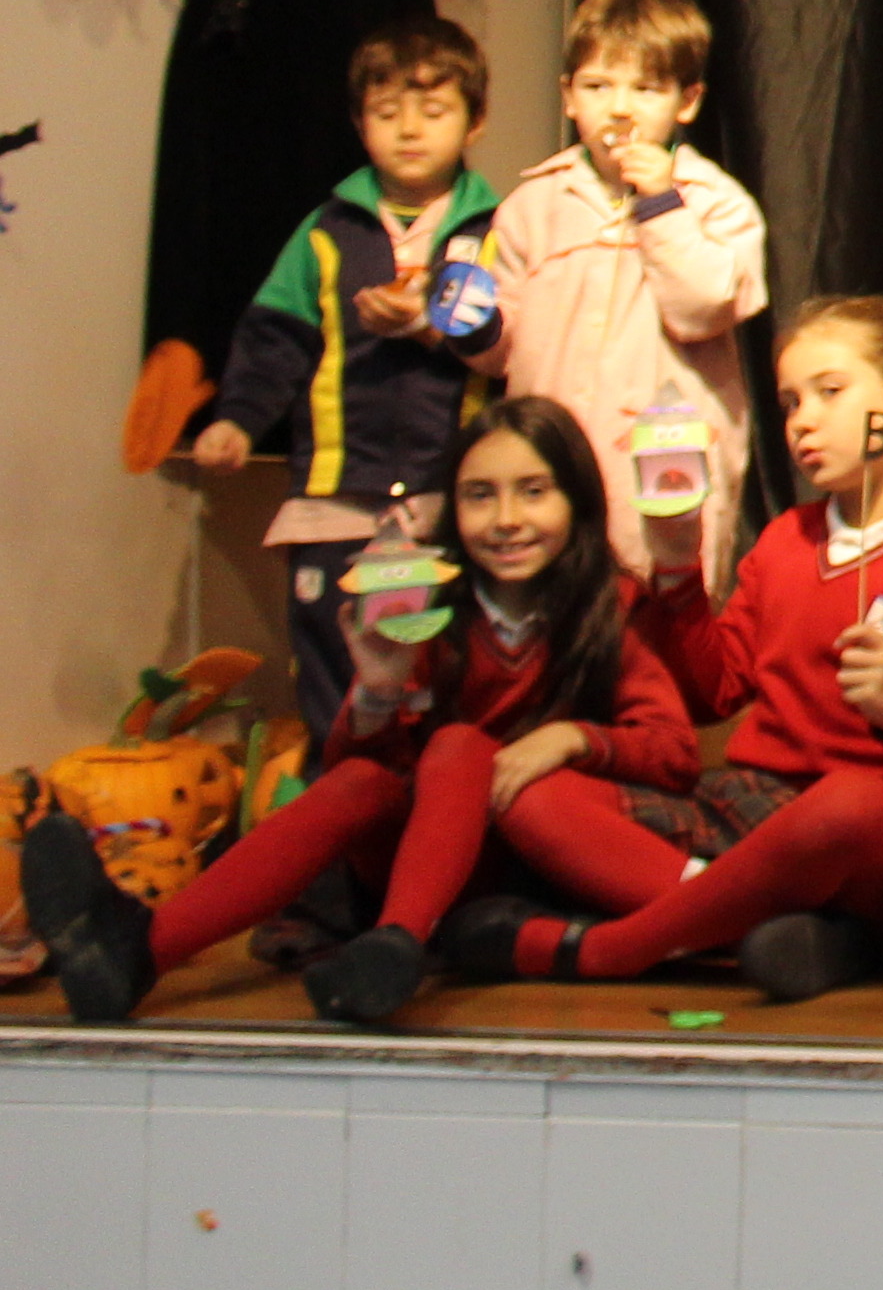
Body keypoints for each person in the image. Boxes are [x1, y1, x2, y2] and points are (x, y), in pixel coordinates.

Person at [24, 391, 687, 1029]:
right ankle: (137, 951)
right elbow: (359, 777)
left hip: (528, 869)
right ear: (452, 508)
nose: (506, 518)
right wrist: (377, 689)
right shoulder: (427, 610)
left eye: (534, 491)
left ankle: (398, 944)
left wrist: (573, 738)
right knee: (366, 779)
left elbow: (675, 753)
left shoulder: (612, 609)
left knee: (459, 744)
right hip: (417, 863)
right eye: (480, 495)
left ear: (578, 501)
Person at [465, 294, 883, 999]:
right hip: (747, 810)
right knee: (531, 795)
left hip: (855, 835)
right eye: (789, 403)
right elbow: (712, 693)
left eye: (830, 392)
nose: (803, 420)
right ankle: (763, 925)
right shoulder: (786, 540)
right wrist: (678, 569)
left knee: (854, 805)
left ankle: (618, 946)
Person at [180, 15, 506, 733]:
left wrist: (431, 322)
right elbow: (275, 338)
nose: (409, 130)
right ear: (360, 125)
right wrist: (237, 421)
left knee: (442, 666)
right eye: (387, 113)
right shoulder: (326, 233)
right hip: (335, 495)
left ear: (475, 121)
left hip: (448, 496)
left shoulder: (498, 233)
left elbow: (511, 345)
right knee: (333, 661)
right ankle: (337, 790)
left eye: (434, 111)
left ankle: (428, 795)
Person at [481, 0, 770, 546]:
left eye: (646, 89)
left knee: (656, 588)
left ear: (687, 101)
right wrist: (472, 323)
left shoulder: (717, 202)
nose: (619, 108)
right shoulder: (531, 206)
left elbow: (704, 309)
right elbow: (500, 353)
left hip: (661, 467)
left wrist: (662, 205)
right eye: (597, 86)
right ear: (569, 97)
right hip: (549, 465)